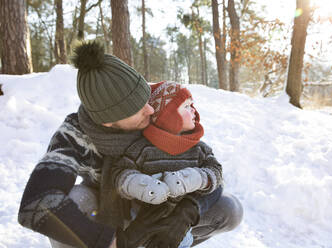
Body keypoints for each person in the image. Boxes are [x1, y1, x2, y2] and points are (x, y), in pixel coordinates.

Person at [18, 41, 243, 248]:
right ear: (109, 121)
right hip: (106, 213)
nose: (151, 109)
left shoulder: (153, 112)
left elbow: (205, 167)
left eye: (146, 97)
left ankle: (163, 240)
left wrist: (186, 212)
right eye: (138, 108)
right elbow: (37, 203)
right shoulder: (74, 134)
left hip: (160, 204)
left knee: (230, 209)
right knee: (75, 200)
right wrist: (112, 241)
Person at [93, 80, 223, 247]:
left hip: (181, 220)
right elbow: (120, 172)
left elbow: (216, 171)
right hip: (142, 217)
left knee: (179, 240)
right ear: (168, 117)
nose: (194, 110)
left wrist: (197, 178)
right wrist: (139, 184)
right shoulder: (143, 148)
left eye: (192, 105)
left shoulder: (199, 148)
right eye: (186, 106)